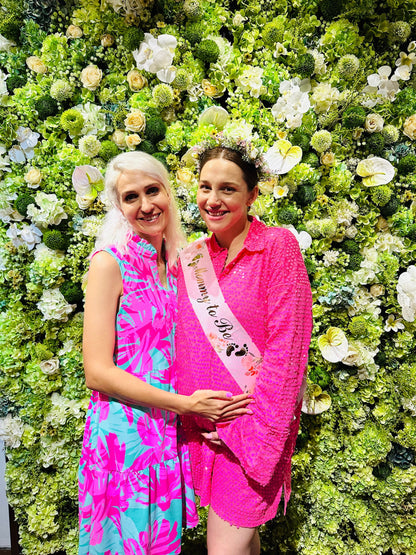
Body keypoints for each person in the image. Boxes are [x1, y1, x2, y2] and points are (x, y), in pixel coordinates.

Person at [78, 151, 251, 555]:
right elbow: (97, 372)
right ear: (119, 207)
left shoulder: (178, 264)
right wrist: (186, 404)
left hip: (168, 435)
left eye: (152, 191)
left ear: (168, 193)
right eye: (130, 197)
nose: (145, 205)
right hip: (124, 438)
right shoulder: (109, 264)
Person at [175, 142, 313, 555]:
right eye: (205, 187)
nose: (212, 200)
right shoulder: (192, 259)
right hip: (205, 433)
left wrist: (246, 434)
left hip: (250, 434)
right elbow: (183, 345)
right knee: (242, 544)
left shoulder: (277, 247)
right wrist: (196, 417)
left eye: (228, 189)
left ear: (252, 194)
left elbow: (288, 352)